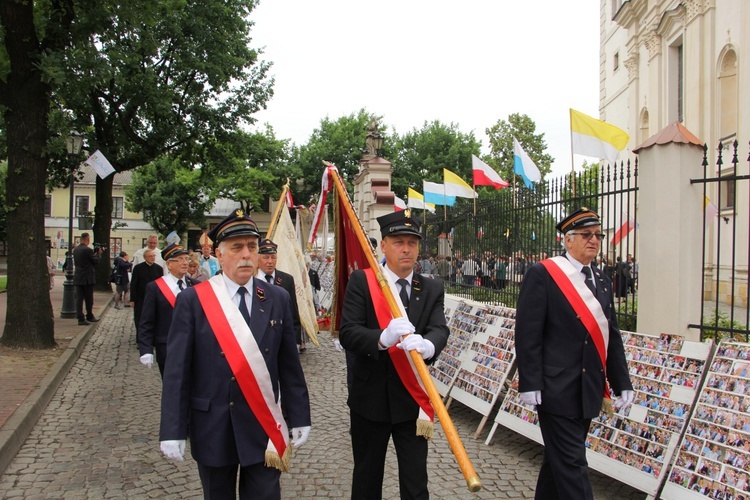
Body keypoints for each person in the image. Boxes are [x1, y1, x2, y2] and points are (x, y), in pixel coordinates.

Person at [159, 210, 311, 500]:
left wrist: (300, 415)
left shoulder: (277, 297)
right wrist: (172, 429)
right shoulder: (193, 300)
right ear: (219, 253)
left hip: (263, 421)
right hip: (213, 424)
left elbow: (289, 365)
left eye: (252, 247)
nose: (246, 255)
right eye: (237, 247)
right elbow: (177, 372)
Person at [514, 207, 634, 500]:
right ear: (567, 240)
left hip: (588, 386)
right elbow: (528, 332)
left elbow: (611, 335)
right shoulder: (544, 274)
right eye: (586, 235)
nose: (593, 240)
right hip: (555, 387)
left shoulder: (602, 279)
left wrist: (622, 381)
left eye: (598, 235)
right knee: (573, 464)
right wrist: (529, 381)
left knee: (558, 462)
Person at [339, 210, 450, 500]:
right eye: (398, 242)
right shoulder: (362, 282)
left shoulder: (431, 287)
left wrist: (429, 345)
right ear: (383, 246)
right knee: (367, 478)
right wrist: (381, 338)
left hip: (411, 400)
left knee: (416, 483)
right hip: (369, 398)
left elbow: (439, 328)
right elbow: (348, 332)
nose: (406, 249)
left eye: (412, 243)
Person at [138, 243, 193, 377]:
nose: (185, 263)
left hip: (193, 347)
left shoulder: (195, 285)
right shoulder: (155, 288)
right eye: (180, 259)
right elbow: (147, 320)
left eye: (187, 259)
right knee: (172, 387)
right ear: (169, 264)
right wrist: (146, 349)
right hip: (168, 347)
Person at [256, 238, 304, 352]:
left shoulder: (286, 279)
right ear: (258, 259)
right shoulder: (251, 279)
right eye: (266, 257)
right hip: (258, 337)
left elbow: (293, 312)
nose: (270, 261)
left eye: (273, 257)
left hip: (280, 337)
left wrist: (296, 340)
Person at [130, 249, 164, 341]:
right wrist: (132, 299)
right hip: (140, 298)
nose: (152, 258)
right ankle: (140, 338)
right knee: (140, 319)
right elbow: (134, 284)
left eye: (153, 256)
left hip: (154, 298)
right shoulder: (138, 268)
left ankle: (152, 338)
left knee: (153, 318)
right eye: (150, 256)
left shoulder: (159, 269)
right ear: (145, 258)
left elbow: (161, 285)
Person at [73, 232, 104, 325]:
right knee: (88, 298)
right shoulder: (87, 250)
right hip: (87, 277)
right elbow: (96, 261)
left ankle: (80, 318)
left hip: (78, 276)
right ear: (88, 239)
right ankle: (89, 315)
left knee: (79, 299)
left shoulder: (76, 249)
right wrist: (99, 254)